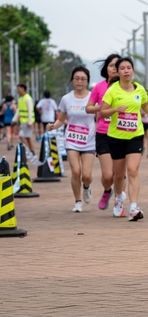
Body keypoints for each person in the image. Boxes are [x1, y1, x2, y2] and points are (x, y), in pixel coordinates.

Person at [99, 57, 148, 221]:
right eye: (122, 68)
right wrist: (115, 109)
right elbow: (102, 112)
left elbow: (144, 104)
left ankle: (133, 208)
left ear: (133, 70)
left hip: (135, 135)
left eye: (129, 68)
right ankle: (119, 199)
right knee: (119, 175)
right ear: (118, 72)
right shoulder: (112, 90)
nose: (126, 71)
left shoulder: (139, 89)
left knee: (132, 170)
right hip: (116, 136)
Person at [47, 67, 95, 213]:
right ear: (72, 80)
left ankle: (86, 187)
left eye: (83, 79)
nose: (79, 81)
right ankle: (78, 201)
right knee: (75, 171)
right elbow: (61, 119)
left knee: (86, 175)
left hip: (89, 140)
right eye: (77, 78)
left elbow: (99, 118)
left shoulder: (93, 98)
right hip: (71, 140)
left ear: (87, 81)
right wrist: (53, 126)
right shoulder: (66, 99)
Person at [86, 54, 120, 211]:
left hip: (122, 134)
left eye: (118, 66)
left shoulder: (128, 87)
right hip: (103, 134)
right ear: (106, 68)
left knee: (119, 174)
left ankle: (119, 202)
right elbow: (88, 108)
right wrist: (103, 108)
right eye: (111, 65)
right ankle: (107, 190)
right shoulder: (99, 87)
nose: (114, 68)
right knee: (107, 175)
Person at [16, 83, 36, 153]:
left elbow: (30, 110)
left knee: (23, 136)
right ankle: (31, 151)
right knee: (27, 137)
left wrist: (30, 122)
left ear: (23, 89)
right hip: (23, 121)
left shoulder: (28, 98)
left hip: (28, 121)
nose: (17, 90)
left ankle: (27, 151)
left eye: (19, 89)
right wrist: (14, 119)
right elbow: (18, 110)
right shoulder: (20, 99)